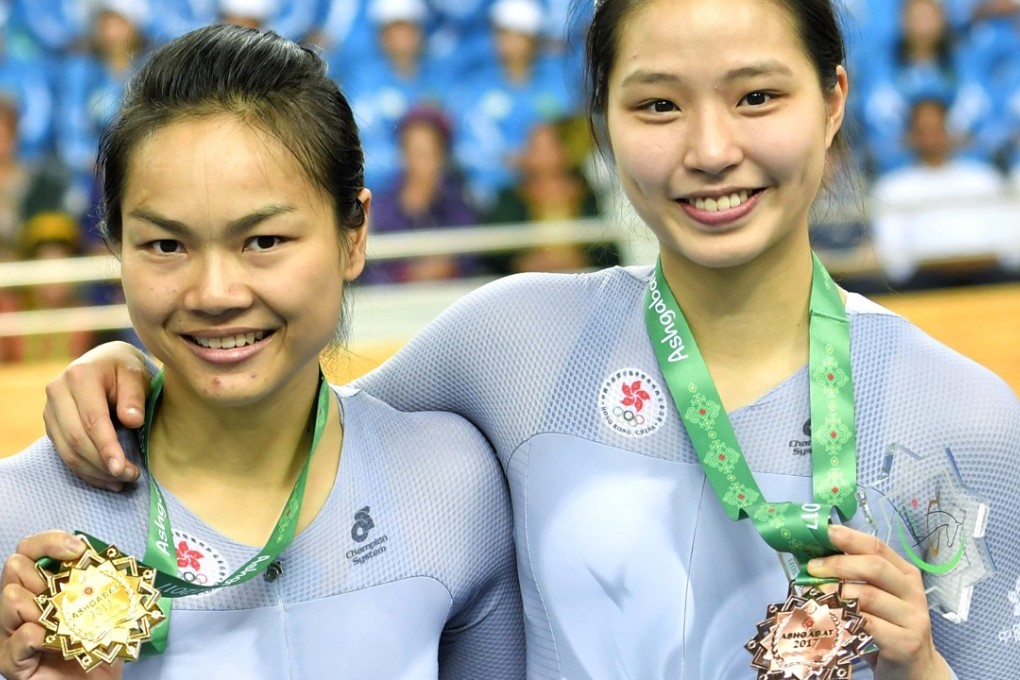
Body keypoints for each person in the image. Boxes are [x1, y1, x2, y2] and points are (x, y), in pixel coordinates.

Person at [34, 1, 1020, 678]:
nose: (711, 147)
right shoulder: (511, 343)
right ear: (602, 118)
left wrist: (922, 663)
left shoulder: (965, 417)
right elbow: (297, 413)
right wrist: (137, 367)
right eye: (656, 103)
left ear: (835, 100)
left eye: (758, 96)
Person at [0, 23, 523, 680]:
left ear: (353, 236)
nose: (215, 293)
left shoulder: (453, 484)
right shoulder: (19, 515)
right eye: (167, 245)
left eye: (265, 241)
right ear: (117, 248)